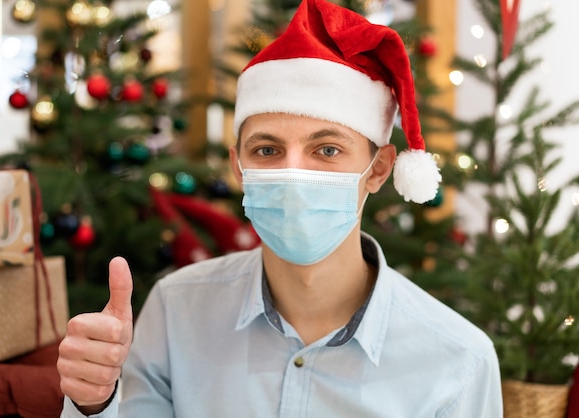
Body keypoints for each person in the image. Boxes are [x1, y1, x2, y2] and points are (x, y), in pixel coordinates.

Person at [57, 0, 503, 416]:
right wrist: (92, 405)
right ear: (238, 167)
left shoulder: (458, 360)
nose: (293, 174)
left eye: (327, 150)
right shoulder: (177, 310)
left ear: (379, 169)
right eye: (267, 151)